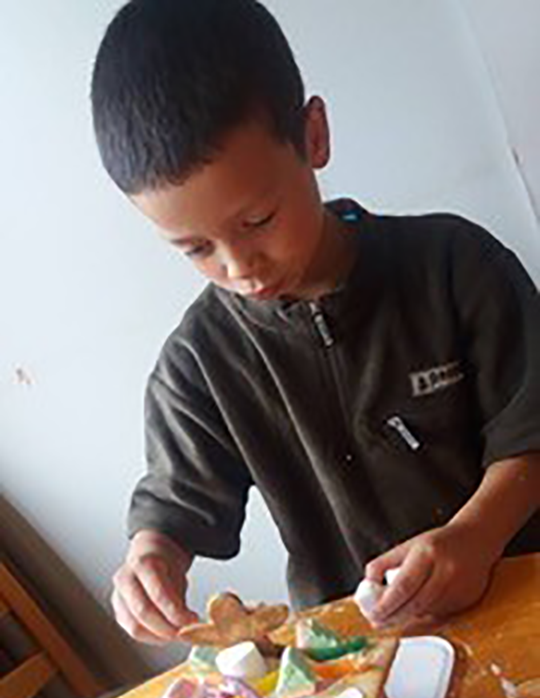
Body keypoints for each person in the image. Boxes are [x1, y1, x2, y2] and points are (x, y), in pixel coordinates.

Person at [91, 0, 540, 646]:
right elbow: (178, 501)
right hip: (362, 656)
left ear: (314, 137)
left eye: (257, 221)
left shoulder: (454, 266)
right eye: (194, 248)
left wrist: (475, 537)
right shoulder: (197, 367)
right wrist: (151, 557)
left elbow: (530, 429)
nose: (239, 266)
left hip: (520, 596)